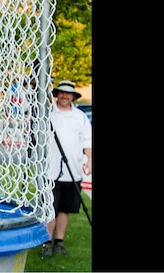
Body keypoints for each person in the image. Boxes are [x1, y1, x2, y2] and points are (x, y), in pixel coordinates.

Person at [40, 80, 92, 258]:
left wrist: (90, 161)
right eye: (61, 93)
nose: (64, 96)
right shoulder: (47, 114)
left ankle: (59, 242)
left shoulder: (80, 117)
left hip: (73, 170)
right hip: (50, 170)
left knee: (65, 209)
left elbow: (87, 141)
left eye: (68, 94)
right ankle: (47, 243)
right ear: (57, 94)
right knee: (50, 208)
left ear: (72, 96)